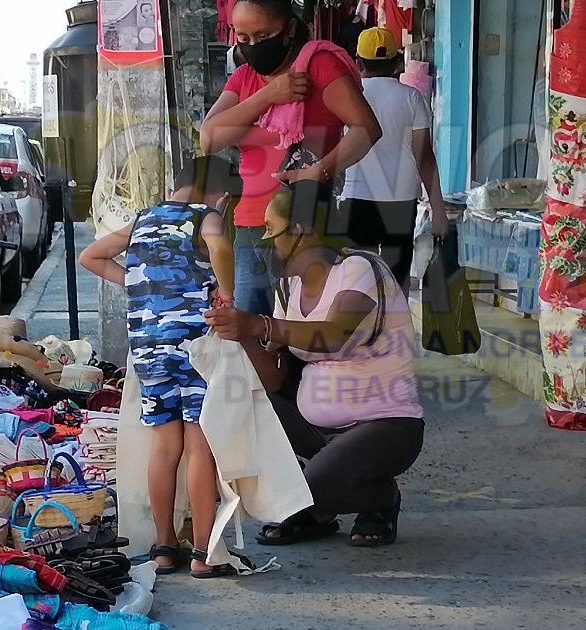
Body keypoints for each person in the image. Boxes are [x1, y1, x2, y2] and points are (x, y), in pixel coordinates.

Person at [205, 181, 425, 548]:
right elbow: (274, 378)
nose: (266, 241)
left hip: (387, 424)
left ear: (301, 230)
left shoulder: (360, 269)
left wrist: (259, 324)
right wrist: (239, 330)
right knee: (233, 410)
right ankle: (325, 500)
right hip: (316, 427)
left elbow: (334, 335)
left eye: (272, 231)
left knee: (303, 493)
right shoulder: (288, 288)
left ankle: (381, 498)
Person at [79, 156, 245, 578]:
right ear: (221, 197)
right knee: (198, 447)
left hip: (148, 348)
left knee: (165, 447)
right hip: (195, 348)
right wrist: (225, 292)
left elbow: (91, 256)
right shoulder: (205, 217)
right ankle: (205, 554)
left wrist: (142, 282)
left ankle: (164, 546)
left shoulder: (141, 221)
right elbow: (221, 247)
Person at [200, 0, 382, 316]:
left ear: (288, 28)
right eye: (243, 39)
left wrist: (319, 171)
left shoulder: (318, 65)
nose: (253, 46)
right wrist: (270, 95)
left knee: (296, 334)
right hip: (247, 227)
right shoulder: (244, 78)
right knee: (250, 341)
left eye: (262, 35)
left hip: (300, 227)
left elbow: (366, 129)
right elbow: (210, 137)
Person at [339, 27, 449, 294]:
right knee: (395, 282)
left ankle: (360, 332)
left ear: (358, 62)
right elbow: (424, 157)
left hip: (356, 197)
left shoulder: (347, 96)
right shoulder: (411, 97)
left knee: (355, 280)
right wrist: (438, 209)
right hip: (400, 201)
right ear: (396, 63)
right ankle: (393, 331)